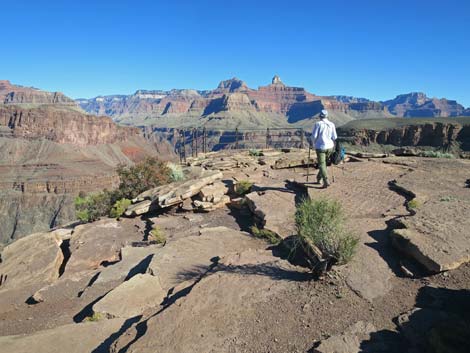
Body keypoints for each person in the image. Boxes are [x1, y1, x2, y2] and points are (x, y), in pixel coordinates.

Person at [311, 109, 337, 188]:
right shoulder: (332, 124)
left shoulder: (318, 124)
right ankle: (319, 178)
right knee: (324, 164)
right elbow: (335, 137)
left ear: (320, 116)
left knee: (322, 164)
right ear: (327, 116)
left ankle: (326, 180)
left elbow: (314, 136)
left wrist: (312, 143)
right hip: (330, 147)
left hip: (320, 147)